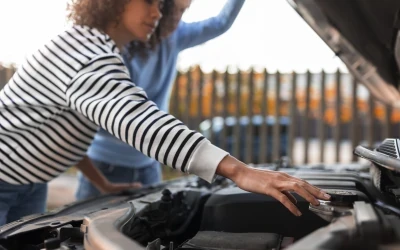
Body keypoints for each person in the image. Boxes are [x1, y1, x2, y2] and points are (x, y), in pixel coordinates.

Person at [0, 0, 330, 226]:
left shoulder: (94, 47)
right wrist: (239, 171)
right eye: (149, 1)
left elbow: (62, 132)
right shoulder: (86, 54)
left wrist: (102, 183)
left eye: (161, 4)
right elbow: (137, 118)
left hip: (31, 182)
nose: (158, 13)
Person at [76, 0, 246, 200]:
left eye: (184, 11)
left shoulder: (176, 35)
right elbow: (121, 117)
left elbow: (220, 23)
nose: (177, 19)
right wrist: (235, 170)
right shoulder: (115, 46)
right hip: (105, 163)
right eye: (175, 10)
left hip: (148, 164)